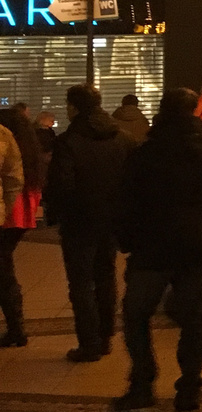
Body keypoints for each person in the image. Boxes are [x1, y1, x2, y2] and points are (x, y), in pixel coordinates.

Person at [113, 89, 202, 412]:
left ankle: (142, 381)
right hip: (195, 247)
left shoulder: (145, 154)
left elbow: (126, 202)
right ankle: (189, 388)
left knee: (136, 314)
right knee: (194, 319)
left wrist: (127, 239)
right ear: (194, 111)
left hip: (150, 248)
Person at [46, 85, 135, 362]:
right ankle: (107, 336)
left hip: (79, 223)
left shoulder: (68, 142)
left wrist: (57, 215)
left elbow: (62, 185)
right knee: (106, 277)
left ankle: (89, 343)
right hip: (111, 220)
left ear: (74, 107)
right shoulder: (123, 138)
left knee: (81, 283)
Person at [0, 108, 41, 347]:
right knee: (5, 268)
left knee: (4, 271)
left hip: (10, 214)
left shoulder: (8, 142)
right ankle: (16, 327)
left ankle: (16, 328)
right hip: (22, 213)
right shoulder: (28, 147)